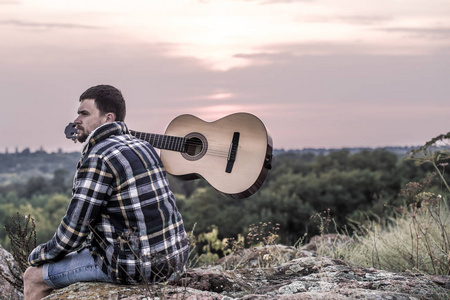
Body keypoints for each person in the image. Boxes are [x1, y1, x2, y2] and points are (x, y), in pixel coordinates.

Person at [23, 85, 189, 299]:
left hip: (135, 267)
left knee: (33, 277)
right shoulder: (143, 146)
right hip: (175, 259)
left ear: (108, 118)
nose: (76, 120)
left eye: (84, 114)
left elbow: (72, 233)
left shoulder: (99, 156)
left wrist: (38, 255)